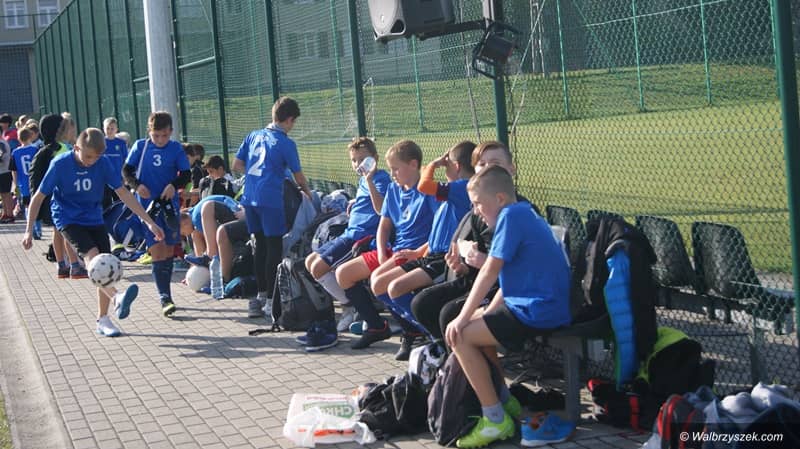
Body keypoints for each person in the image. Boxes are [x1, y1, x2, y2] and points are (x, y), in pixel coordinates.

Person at [445, 165, 570, 448]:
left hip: (539, 310)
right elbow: (510, 279)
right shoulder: (521, 213)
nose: (476, 211)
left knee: (460, 335)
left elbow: (490, 271)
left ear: (500, 198)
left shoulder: (512, 216)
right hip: (536, 305)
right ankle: (504, 400)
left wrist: (462, 318)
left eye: (478, 203)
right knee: (474, 324)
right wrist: (482, 314)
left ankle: (495, 420)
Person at [21, 128, 165, 337]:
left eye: (96, 157)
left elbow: (123, 193)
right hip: (68, 218)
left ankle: (103, 319)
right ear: (76, 148)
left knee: (105, 262)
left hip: (94, 217)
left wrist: (149, 222)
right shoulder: (60, 164)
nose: (92, 161)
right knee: (93, 257)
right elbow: (39, 197)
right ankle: (116, 297)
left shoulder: (103, 163)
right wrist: (28, 230)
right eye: (88, 156)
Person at [369, 140, 475, 360]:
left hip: (443, 258)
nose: (442, 167)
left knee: (396, 287)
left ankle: (437, 337)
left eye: (446, 164)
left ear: (455, 166)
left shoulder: (462, 188)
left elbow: (423, 186)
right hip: (428, 254)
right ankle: (428, 332)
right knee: (381, 285)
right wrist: (418, 253)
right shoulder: (453, 191)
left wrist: (433, 165)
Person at [335, 139, 438, 349]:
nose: (392, 174)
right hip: (393, 250)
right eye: (390, 169)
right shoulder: (394, 189)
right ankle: (378, 326)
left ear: (413, 165)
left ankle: (422, 330)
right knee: (344, 274)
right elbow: (384, 226)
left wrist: (418, 252)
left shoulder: (428, 191)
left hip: (415, 253)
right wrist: (382, 252)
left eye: (396, 169)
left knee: (379, 282)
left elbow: (440, 231)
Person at [232, 96, 312, 320]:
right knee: (274, 246)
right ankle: (271, 300)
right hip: (270, 199)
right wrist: (307, 192)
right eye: (293, 122)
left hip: (250, 197)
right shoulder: (286, 143)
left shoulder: (253, 135)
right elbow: (298, 175)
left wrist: (255, 174)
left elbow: (236, 164)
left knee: (259, 246)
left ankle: (260, 295)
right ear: (289, 120)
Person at [304, 137, 391, 332]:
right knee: (310, 261)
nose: (358, 164)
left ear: (375, 158)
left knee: (318, 268)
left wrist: (369, 181)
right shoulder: (363, 180)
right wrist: (354, 204)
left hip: (361, 237)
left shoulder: (380, 178)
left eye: (363, 159)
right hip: (349, 232)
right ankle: (352, 304)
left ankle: (350, 307)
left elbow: (381, 209)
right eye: (354, 160)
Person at [123, 111, 191, 317]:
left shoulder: (176, 148)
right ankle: (164, 297)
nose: (160, 140)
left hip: (168, 207)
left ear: (171, 131)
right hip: (147, 209)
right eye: (156, 135)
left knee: (169, 250)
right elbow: (126, 171)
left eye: (164, 135)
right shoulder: (141, 146)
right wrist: (137, 185)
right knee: (157, 249)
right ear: (149, 132)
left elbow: (185, 174)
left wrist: (173, 185)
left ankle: (166, 292)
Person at [29, 113, 84, 278]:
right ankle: (75, 265)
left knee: (57, 231)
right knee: (68, 231)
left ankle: (62, 265)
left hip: (50, 199)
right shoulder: (63, 149)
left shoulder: (46, 149)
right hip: (63, 198)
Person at [9, 126, 42, 235]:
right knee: (37, 204)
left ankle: (31, 228)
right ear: (30, 136)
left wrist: (15, 184)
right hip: (35, 182)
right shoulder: (35, 149)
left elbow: (14, 170)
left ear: (18, 138)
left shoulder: (15, 152)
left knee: (28, 206)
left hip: (23, 185)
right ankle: (38, 229)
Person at [103, 117, 129, 208]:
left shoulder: (121, 143)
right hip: (104, 180)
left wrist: (125, 176)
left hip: (118, 178)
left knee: (119, 203)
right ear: (103, 128)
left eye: (112, 128)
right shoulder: (101, 142)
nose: (110, 131)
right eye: (107, 128)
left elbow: (125, 160)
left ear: (116, 129)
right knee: (106, 204)